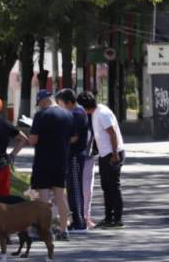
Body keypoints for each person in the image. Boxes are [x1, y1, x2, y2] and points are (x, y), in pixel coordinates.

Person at [28, 90, 75, 241]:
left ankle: (46, 231)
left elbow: (33, 140)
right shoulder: (68, 114)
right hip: (61, 160)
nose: (39, 106)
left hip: (43, 161)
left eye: (39, 103)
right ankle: (64, 229)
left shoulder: (41, 115)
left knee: (44, 198)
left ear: (43, 101)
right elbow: (73, 137)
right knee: (61, 196)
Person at [76, 92, 125, 229]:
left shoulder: (102, 113)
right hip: (105, 154)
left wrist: (115, 154)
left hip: (113, 153)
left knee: (113, 186)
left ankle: (118, 219)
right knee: (106, 186)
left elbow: (112, 134)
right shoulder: (96, 112)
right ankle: (108, 218)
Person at [56, 89, 89, 232]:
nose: (59, 107)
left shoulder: (77, 114)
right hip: (72, 155)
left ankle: (79, 222)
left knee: (75, 189)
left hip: (75, 155)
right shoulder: (76, 112)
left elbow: (74, 137)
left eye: (61, 104)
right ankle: (76, 220)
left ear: (69, 102)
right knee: (71, 188)